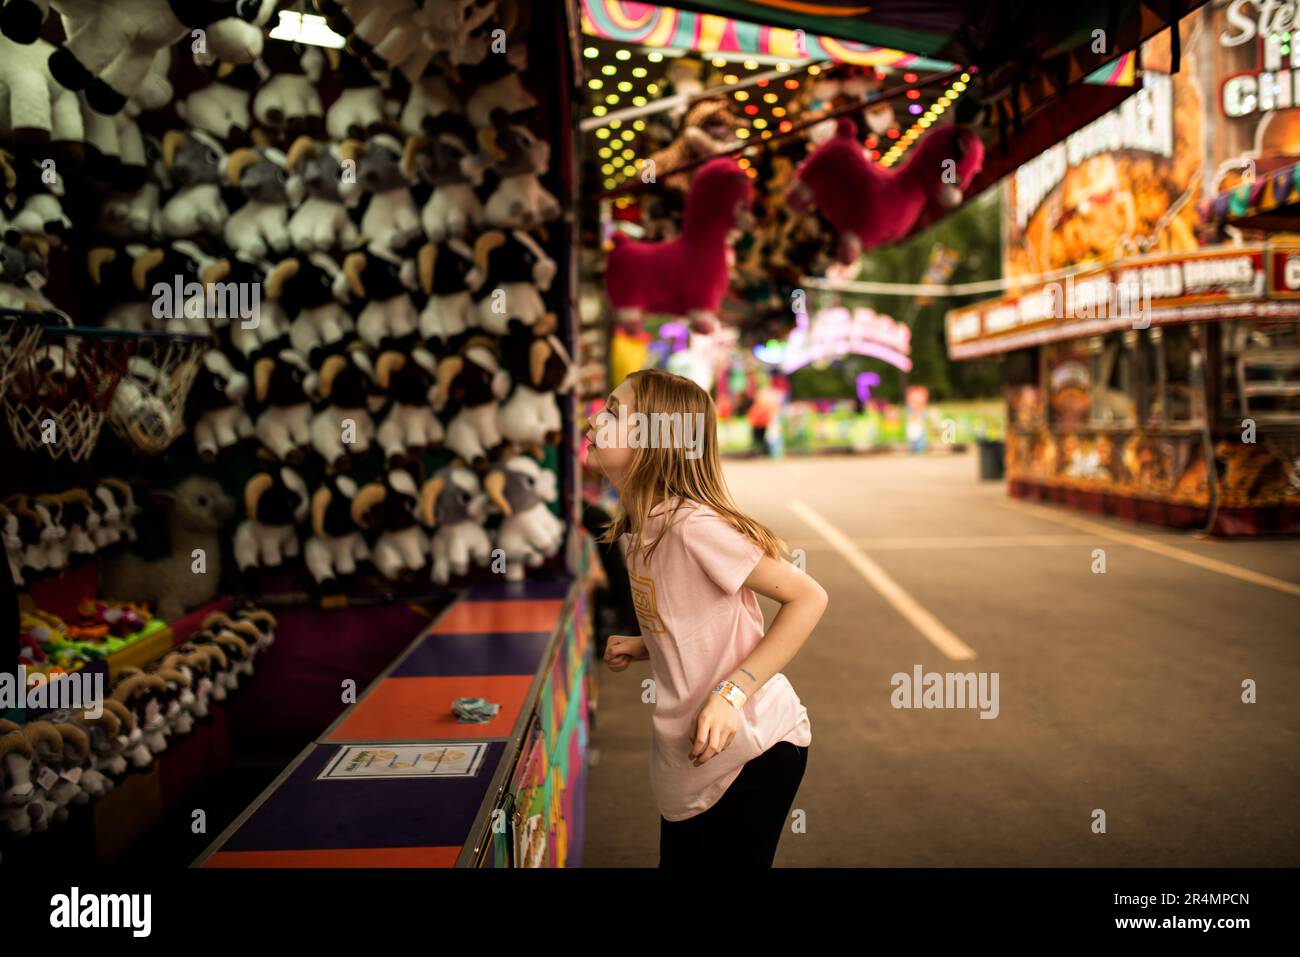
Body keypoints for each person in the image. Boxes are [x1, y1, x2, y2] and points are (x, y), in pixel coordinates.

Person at [587, 368, 828, 868]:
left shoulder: (692, 526)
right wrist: (645, 644)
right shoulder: (638, 529)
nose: (594, 421)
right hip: (694, 752)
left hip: (755, 747)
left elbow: (808, 597)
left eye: (612, 412)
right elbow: (691, 621)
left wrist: (730, 693)